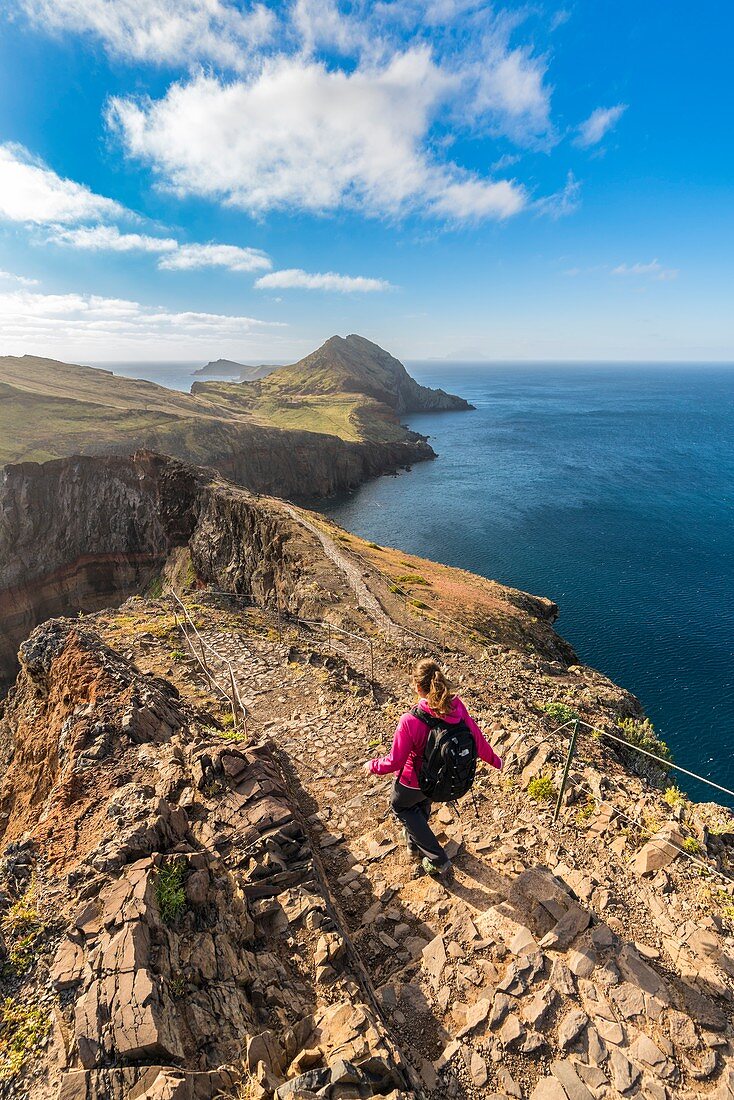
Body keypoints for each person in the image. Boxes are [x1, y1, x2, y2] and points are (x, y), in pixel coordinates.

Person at [362, 658, 502, 877]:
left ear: (418, 688)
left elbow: (395, 762)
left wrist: (372, 765)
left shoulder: (409, 720)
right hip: (440, 779)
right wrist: (496, 760)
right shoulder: (456, 705)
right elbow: (477, 739)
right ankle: (413, 845)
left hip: (413, 782)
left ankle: (438, 860)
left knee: (401, 806)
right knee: (421, 804)